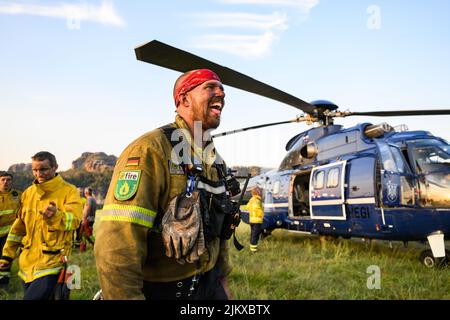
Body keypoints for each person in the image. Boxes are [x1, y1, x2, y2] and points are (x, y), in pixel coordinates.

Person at [95, 69, 235, 300]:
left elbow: (219, 231)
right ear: (184, 99)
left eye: (221, 88)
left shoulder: (214, 158)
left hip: (209, 284)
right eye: (209, 87)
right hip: (164, 291)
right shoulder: (150, 150)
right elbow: (117, 244)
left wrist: (222, 283)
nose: (221, 92)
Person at [0, 151, 83, 300]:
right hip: (26, 265)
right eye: (35, 170)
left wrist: (56, 215)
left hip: (53, 263)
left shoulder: (69, 191)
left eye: (43, 169)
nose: (38, 174)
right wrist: (7, 255)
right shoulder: (27, 193)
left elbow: (75, 220)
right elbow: (19, 228)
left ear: (55, 167)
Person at [0, 172, 22, 291]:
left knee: (5, 260)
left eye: (8, 180)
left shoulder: (17, 195)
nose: (5, 182)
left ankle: (4, 285)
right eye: (3, 180)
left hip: (10, 236)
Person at [247, 187, 264, 253]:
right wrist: (261, 214)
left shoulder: (251, 200)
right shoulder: (257, 200)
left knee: (253, 234)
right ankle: (253, 250)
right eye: (259, 192)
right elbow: (256, 208)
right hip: (257, 221)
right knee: (255, 235)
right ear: (257, 193)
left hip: (252, 220)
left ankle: (253, 248)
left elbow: (247, 207)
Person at [79, 187, 96, 251]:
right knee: (84, 234)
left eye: (84, 192)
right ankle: (83, 248)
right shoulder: (93, 199)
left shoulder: (89, 200)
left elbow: (87, 210)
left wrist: (84, 219)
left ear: (86, 193)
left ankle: (96, 244)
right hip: (92, 218)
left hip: (88, 219)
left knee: (88, 234)